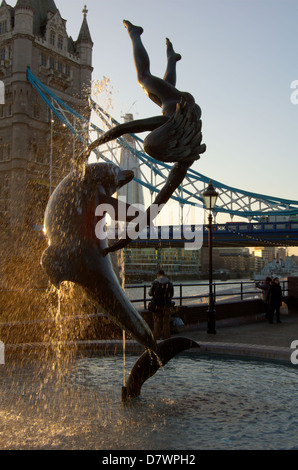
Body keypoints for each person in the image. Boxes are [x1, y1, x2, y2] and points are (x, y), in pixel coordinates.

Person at [148, 270, 174, 339]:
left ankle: (157, 339)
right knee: (166, 323)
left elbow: (150, 293)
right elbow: (171, 294)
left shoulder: (154, 283)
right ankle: (166, 338)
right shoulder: (169, 283)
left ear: (158, 275)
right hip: (167, 306)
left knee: (157, 323)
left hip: (157, 306)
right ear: (164, 274)